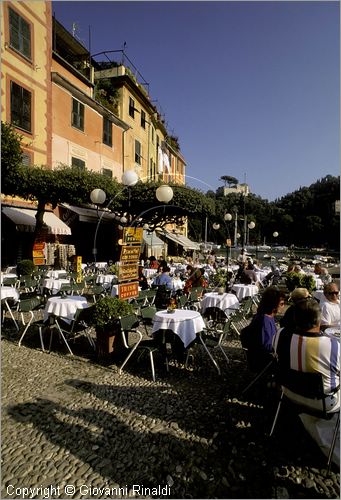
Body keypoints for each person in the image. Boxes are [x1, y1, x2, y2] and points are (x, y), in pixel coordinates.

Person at [273, 299, 340, 412]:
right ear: (319, 321)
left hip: (288, 392)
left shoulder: (280, 335)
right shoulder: (333, 346)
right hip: (323, 402)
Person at [241, 286, 285, 372]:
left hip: (260, 356)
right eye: (282, 304)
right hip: (263, 360)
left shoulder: (267, 315)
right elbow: (266, 346)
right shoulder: (264, 320)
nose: (283, 306)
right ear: (273, 304)